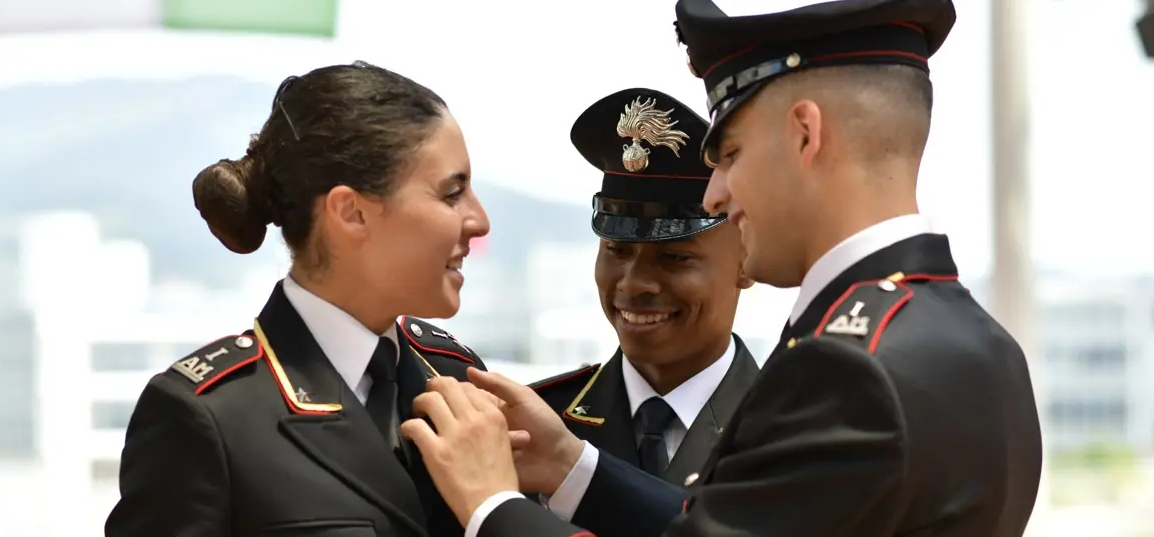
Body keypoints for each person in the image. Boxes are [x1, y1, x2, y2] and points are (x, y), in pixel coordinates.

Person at [398, 1, 1044, 537]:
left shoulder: (847, 370)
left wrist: (492, 506)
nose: (716, 193)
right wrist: (572, 465)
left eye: (729, 152)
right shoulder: (982, 346)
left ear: (804, 134)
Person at [105, 61, 496, 537]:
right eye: (452, 193)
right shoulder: (209, 417)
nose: (479, 220)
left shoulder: (457, 375)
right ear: (351, 213)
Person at [526, 88, 759, 498]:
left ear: (746, 258)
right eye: (618, 250)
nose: (633, 282)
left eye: (674, 257)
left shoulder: (790, 429)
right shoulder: (534, 424)